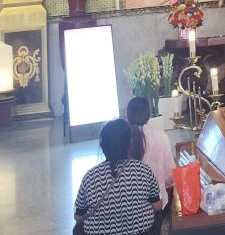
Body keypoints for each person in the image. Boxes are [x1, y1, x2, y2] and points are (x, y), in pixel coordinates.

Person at [74, 119, 161, 235]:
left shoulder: (90, 177)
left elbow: (78, 217)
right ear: (129, 143)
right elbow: (157, 205)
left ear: (102, 145)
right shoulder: (143, 170)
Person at [125, 97, 174, 235]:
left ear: (128, 116)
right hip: (156, 206)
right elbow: (171, 176)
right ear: (149, 115)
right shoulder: (161, 136)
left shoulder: (123, 139)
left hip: (127, 207)